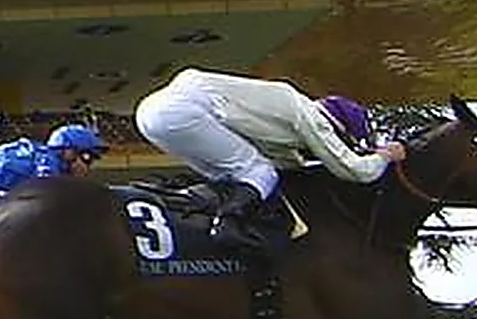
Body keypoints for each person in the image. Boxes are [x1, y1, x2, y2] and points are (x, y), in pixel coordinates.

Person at [133, 67, 406, 250]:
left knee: (228, 177)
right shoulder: (312, 118)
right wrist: (384, 156)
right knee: (259, 173)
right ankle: (229, 224)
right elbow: (355, 171)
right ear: (338, 127)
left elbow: (290, 163)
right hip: (183, 112)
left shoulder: (285, 116)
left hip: (148, 114)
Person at [0, 123, 108, 224]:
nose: (88, 167)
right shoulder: (47, 163)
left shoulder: (43, 156)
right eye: (87, 157)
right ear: (68, 152)